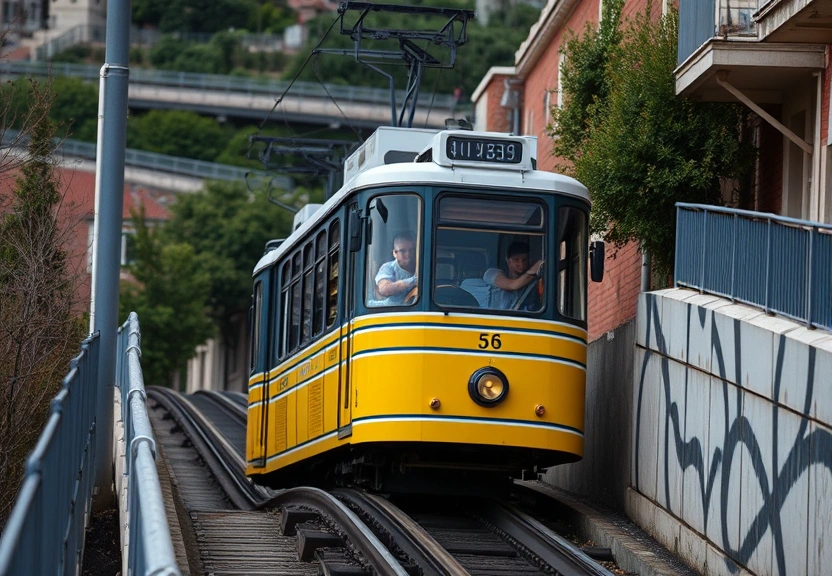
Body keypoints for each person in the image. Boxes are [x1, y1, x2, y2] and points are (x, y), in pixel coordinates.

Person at [483, 241, 543, 310]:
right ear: (507, 259)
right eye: (516, 260)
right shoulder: (492, 273)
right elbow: (512, 285)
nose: (521, 264)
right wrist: (535, 268)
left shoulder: (532, 282)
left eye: (524, 260)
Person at [373, 231, 418, 306]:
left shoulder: (421, 265)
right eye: (403, 251)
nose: (408, 254)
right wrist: (413, 281)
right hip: (389, 309)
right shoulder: (387, 267)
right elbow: (384, 289)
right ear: (395, 253)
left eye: (411, 250)